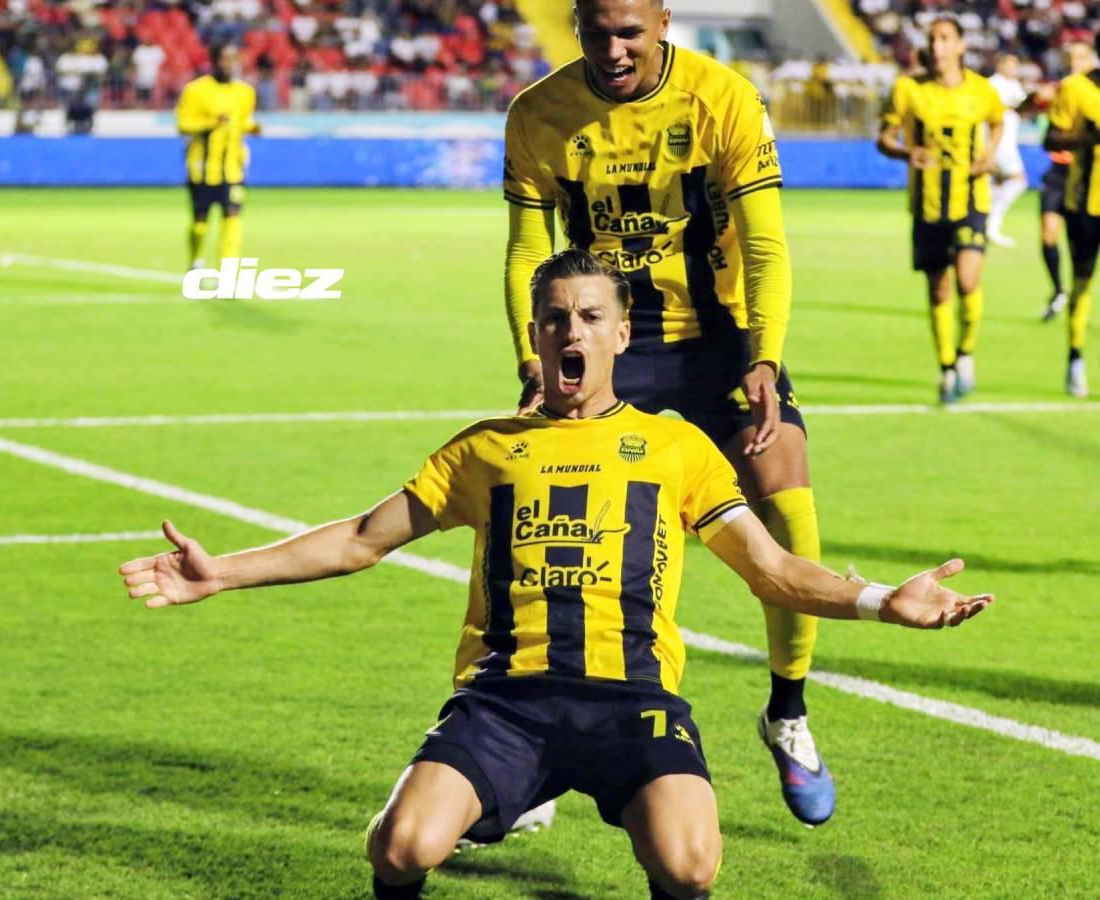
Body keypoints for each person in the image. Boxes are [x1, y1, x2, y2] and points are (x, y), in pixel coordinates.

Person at [119, 250, 994, 900]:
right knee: (401, 848)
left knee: (691, 865)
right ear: (535, 336)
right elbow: (358, 539)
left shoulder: (675, 447)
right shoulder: (485, 450)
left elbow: (771, 571)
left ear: (621, 333)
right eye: (554, 318)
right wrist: (220, 573)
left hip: (633, 698)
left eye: (588, 317)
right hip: (506, 702)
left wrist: (882, 602)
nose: (571, 331)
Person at [503, 0, 836, 827]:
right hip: (604, 335)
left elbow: (766, 245)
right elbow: (526, 249)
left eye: (630, 33)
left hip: (719, 337)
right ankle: (540, 739)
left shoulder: (723, 98)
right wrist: (533, 357)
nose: (614, 50)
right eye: (597, 33)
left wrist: (764, 355)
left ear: (662, 23)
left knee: (788, 505)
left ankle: (787, 710)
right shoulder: (539, 112)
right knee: (555, 526)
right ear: (576, 24)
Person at [877, 16, 1005, 404]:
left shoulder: (982, 90)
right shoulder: (908, 89)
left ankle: (966, 353)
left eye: (945, 38)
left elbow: (998, 123)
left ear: (961, 46)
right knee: (939, 288)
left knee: (967, 280)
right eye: (932, 39)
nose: (937, 46)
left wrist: (989, 154)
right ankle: (947, 366)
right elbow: (884, 138)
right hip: (927, 205)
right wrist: (906, 152)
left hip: (970, 200)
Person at [1043, 32, 1100, 398]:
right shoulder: (1076, 88)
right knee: (1082, 282)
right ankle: (1075, 356)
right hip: (1085, 203)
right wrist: (1089, 139)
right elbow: (1051, 138)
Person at [176, 44, 260, 272]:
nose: (230, 64)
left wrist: (251, 127)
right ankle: (196, 261)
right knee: (200, 223)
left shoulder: (246, 92)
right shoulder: (195, 90)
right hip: (202, 169)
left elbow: (241, 121)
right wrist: (211, 123)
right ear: (213, 61)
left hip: (233, 168)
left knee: (233, 217)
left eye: (234, 58)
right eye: (225, 58)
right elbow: (183, 124)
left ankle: (228, 272)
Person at [1038, 40, 1097, 322]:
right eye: (1070, 58)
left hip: (1088, 180)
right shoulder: (1063, 89)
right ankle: (1058, 289)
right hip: (1060, 173)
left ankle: (1074, 296)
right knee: (1048, 234)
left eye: (1080, 57)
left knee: (1084, 259)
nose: (1075, 63)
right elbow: (1047, 134)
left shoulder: (1087, 91)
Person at [986, 53, 1028, 248]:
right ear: (1000, 65)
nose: (1013, 69)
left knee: (998, 182)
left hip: (1009, 142)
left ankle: (989, 225)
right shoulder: (992, 85)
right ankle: (992, 222)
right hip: (999, 142)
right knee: (1019, 181)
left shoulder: (1015, 85)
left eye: (1015, 65)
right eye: (1009, 65)